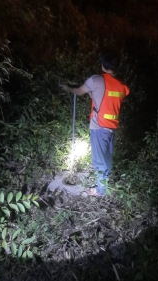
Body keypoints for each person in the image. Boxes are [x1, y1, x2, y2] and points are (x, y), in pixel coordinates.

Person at [62, 50, 130, 196]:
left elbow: (79, 91)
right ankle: (105, 184)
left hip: (99, 127)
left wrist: (68, 88)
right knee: (106, 157)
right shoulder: (121, 85)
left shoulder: (96, 80)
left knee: (99, 160)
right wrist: (91, 93)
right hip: (112, 127)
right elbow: (106, 97)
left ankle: (101, 190)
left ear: (102, 64)